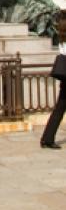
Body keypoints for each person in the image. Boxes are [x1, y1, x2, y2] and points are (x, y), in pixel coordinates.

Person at [41, 14, 66, 148]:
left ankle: (47, 138)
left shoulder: (62, 39)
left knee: (58, 110)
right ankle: (47, 139)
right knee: (59, 110)